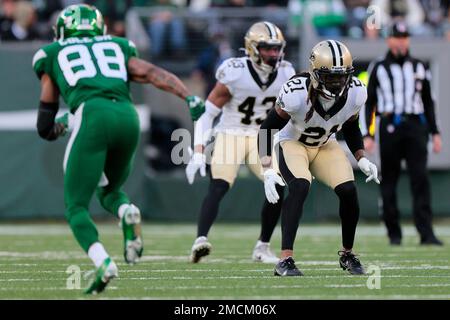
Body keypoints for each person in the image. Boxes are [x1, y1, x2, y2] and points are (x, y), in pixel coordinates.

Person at [32, 4, 205, 294]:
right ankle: (126, 211)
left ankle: (103, 262)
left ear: (61, 30)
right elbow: (151, 72)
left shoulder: (51, 53)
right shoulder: (117, 45)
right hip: (127, 115)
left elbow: (45, 120)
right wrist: (188, 97)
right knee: (109, 190)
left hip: (92, 115)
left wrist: (59, 124)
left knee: (76, 206)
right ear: (99, 27)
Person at [258, 39, 380, 276]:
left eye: (341, 76)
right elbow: (267, 128)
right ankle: (285, 260)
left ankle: (347, 254)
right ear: (315, 73)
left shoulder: (356, 91)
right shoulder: (295, 93)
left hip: (325, 145)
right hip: (293, 143)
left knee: (348, 190)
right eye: (330, 76)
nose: (337, 82)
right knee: (300, 187)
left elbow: (352, 127)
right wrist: (267, 168)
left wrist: (361, 157)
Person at [185, 21, 295, 264]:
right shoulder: (235, 72)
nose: (273, 54)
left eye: (277, 48)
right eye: (267, 48)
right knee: (219, 185)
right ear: (252, 47)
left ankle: (262, 247)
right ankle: (200, 239)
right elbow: (208, 113)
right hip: (231, 132)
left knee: (277, 186)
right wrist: (199, 150)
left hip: (264, 136)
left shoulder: (287, 73)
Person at [362, 21, 443, 246]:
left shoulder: (419, 66)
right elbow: (369, 103)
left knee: (420, 179)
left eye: (404, 37)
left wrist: (435, 132)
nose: (401, 41)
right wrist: (367, 134)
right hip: (389, 126)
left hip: (416, 126)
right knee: (389, 180)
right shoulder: (378, 67)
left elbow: (428, 102)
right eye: (397, 37)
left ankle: (426, 233)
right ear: (389, 40)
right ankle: (393, 233)